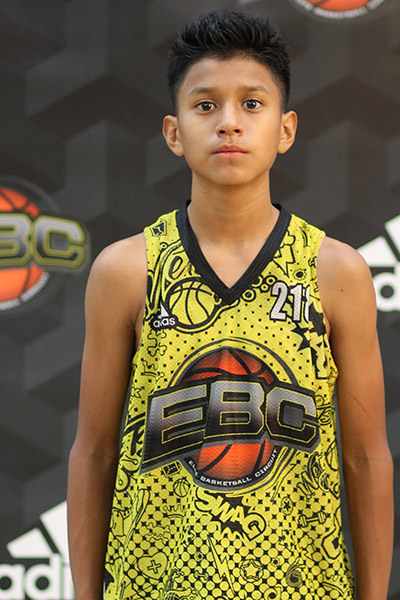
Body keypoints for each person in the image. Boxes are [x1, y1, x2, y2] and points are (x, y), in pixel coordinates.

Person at [67, 10, 393, 600]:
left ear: (286, 129)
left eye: (251, 103)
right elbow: (93, 452)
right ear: (173, 133)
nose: (229, 123)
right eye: (205, 105)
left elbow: (366, 458)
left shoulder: (335, 271)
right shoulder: (126, 270)